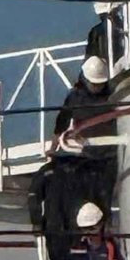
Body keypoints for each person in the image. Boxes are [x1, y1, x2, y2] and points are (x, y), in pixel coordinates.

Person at [52, 56, 117, 213]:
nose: (97, 87)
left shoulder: (115, 95)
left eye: (100, 84)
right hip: (87, 155)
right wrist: (53, 149)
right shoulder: (75, 97)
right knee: (87, 199)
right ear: (86, 79)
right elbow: (61, 124)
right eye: (94, 84)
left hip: (112, 155)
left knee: (105, 200)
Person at [85, 0, 124, 66]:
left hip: (104, 70)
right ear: (116, 9)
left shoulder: (95, 32)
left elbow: (90, 58)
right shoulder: (124, 28)